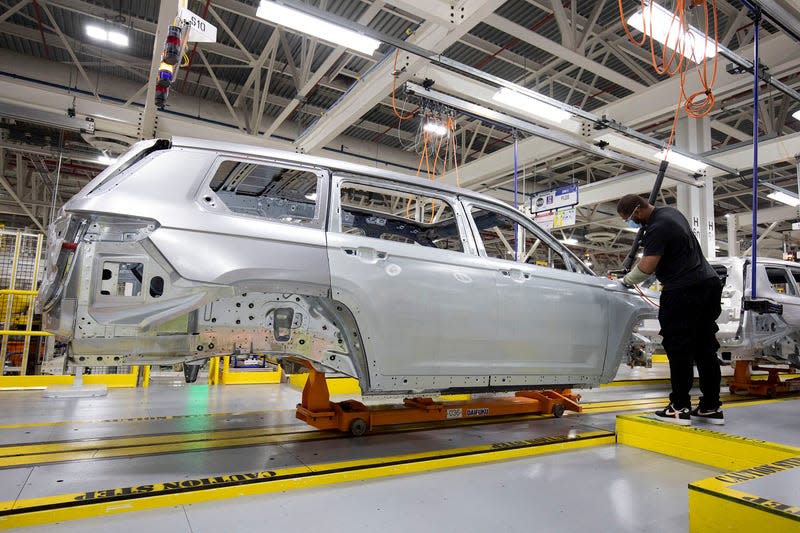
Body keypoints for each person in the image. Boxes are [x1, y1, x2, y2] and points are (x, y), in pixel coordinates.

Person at [617, 194, 724, 425]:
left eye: (629, 219)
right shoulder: (671, 213)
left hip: (685, 289)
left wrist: (625, 280)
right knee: (705, 348)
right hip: (709, 284)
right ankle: (711, 407)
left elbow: (646, 266)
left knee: (679, 348)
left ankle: (679, 407)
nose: (631, 224)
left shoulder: (658, 226)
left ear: (637, 212)